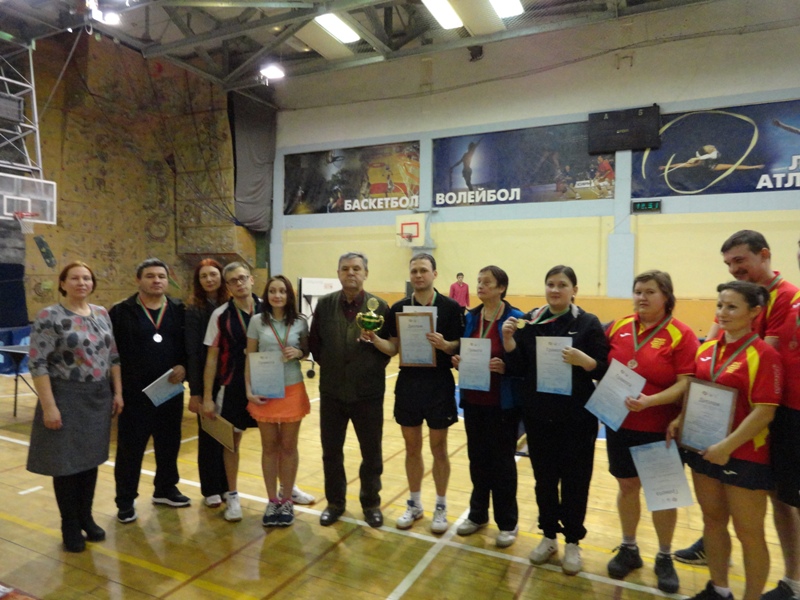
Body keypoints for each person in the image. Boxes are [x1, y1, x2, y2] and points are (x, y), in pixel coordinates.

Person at [676, 230, 799, 565]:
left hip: (768, 407)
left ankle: (792, 578)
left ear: (764, 254)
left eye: (740, 260)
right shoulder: (735, 295)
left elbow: (764, 355)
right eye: (728, 263)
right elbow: (711, 345)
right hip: (725, 407)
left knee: (777, 499)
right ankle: (713, 544)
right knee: (717, 497)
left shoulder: (786, 296)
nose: (733, 269)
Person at [668, 281, 782, 600]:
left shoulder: (765, 355)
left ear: (754, 312)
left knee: (749, 533)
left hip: (744, 456)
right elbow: (698, 393)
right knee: (713, 521)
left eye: (732, 307)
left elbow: (765, 412)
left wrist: (726, 447)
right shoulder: (706, 349)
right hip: (704, 449)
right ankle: (719, 590)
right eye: (720, 305)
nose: (722, 312)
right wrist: (680, 419)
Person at [501, 265, 608, 571]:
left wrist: (585, 361)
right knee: (544, 481)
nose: (555, 290)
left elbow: (604, 368)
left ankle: (573, 541)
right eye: (550, 284)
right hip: (538, 417)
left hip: (577, 420)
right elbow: (518, 367)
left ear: (575, 290)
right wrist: (508, 341)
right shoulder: (531, 320)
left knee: (576, 482)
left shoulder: (588, 323)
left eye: (562, 285)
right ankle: (548, 536)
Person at [604, 270, 699, 593]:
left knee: (662, 494)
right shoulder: (618, 326)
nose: (641, 297)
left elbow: (686, 383)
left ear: (666, 297)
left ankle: (664, 555)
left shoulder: (681, 334)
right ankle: (629, 547)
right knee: (627, 486)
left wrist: (650, 402)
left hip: (660, 428)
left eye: (650, 292)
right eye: (638, 291)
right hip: (620, 424)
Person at [26, 262, 123, 552]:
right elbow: (38, 362)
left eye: (87, 278)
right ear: (62, 283)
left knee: (90, 461)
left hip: (98, 397)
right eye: (75, 278)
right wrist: (49, 407)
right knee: (66, 464)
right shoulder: (49, 316)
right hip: (65, 397)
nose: (82, 283)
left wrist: (117, 392)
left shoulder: (102, 313)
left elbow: (113, 356)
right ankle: (69, 524)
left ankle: (86, 517)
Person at [369, 253, 463, 533]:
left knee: (439, 448)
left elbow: (460, 344)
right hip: (408, 384)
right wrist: (374, 339)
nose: (418, 275)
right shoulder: (398, 308)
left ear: (435, 274)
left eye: (423, 270)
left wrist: (446, 345)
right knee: (412, 448)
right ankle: (415, 503)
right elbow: (393, 347)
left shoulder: (451, 307)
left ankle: (441, 506)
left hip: (439, 385)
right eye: (414, 271)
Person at [308, 252, 390, 528]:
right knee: (331, 452)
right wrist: (336, 366)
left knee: (372, 453)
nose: (351, 273)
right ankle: (335, 503)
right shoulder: (325, 304)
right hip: (332, 392)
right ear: (338, 273)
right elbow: (315, 343)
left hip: (368, 393)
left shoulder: (380, 307)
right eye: (345, 269)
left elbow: (388, 348)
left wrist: (363, 367)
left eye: (356, 268)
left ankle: (371, 503)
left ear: (366, 273)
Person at [111, 258, 189, 523]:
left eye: (161, 276)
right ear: (138, 280)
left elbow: (187, 347)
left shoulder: (178, 310)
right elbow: (112, 354)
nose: (156, 280)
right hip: (135, 395)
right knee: (130, 450)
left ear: (167, 280)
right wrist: (116, 391)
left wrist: (184, 366)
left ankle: (165, 489)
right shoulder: (121, 312)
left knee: (169, 443)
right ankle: (125, 501)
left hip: (169, 391)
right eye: (150, 276)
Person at [451, 266, 523, 547]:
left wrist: (507, 367)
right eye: (479, 281)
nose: (480, 286)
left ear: (501, 288)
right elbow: (467, 350)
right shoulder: (471, 317)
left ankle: (508, 522)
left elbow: (525, 362)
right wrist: (459, 361)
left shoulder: (516, 319)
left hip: (502, 404)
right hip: (474, 401)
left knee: (503, 464)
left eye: (487, 282)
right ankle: (478, 514)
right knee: (478, 460)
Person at [245, 275, 312, 527]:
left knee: (289, 447)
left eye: (282, 291)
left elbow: (306, 351)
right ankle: (272, 500)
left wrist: (299, 352)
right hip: (266, 389)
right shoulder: (256, 322)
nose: (277, 295)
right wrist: (249, 390)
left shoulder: (300, 322)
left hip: (292, 389)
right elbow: (249, 356)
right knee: (269, 447)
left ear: (289, 295)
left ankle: (287, 500)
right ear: (267, 295)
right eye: (272, 291)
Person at [201, 262, 260, 522]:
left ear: (251, 279)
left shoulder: (268, 308)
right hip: (233, 385)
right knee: (232, 443)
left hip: (266, 384)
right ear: (227, 286)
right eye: (233, 280)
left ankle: (284, 490)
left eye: (242, 278)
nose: (239, 283)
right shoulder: (220, 315)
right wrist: (206, 398)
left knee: (276, 442)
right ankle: (232, 495)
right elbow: (212, 358)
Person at [763, 239, 800, 600]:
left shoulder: (786, 296)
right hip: (784, 413)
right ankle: (793, 581)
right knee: (781, 496)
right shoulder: (796, 303)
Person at [185, 259, 230, 509]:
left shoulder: (230, 306)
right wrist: (197, 392)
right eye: (204, 276)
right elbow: (193, 353)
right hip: (207, 379)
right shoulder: (194, 310)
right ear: (198, 282)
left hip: (229, 379)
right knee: (209, 435)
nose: (209, 279)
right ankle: (211, 488)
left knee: (227, 436)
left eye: (213, 274)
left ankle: (227, 485)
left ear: (221, 277)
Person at [658, 145, 764, 173]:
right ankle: (753, 167)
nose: (712, 147)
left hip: (708, 158)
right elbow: (681, 165)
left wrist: (695, 158)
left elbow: (707, 156)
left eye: (711, 147)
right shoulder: (700, 160)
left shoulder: (712, 154)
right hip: (711, 165)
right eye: (710, 148)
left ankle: (753, 167)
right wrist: (667, 166)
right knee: (731, 166)